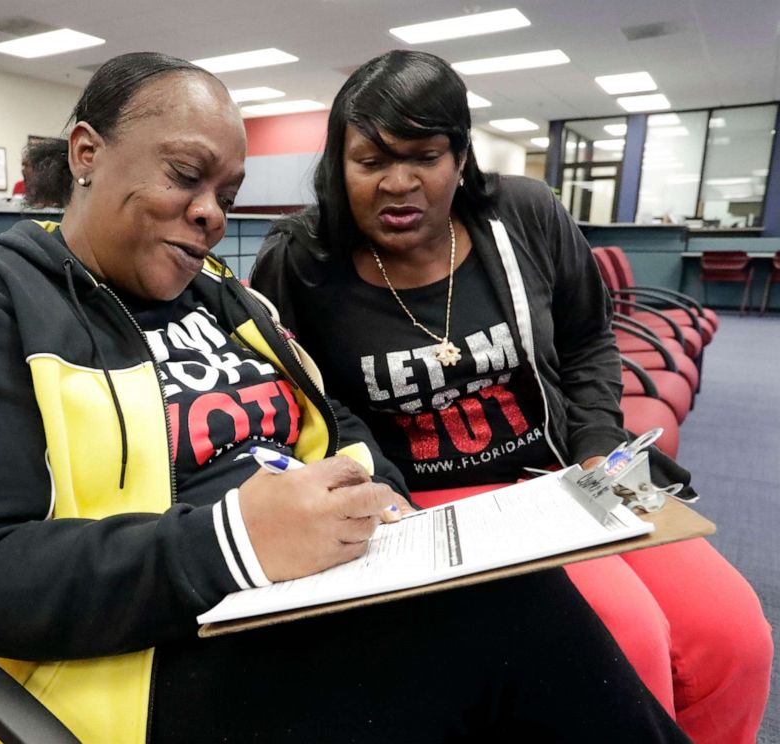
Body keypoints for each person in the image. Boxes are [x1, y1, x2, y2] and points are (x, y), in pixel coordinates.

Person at [0, 52, 690, 744]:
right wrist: (233, 542)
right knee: (517, 625)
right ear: (87, 151)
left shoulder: (222, 296)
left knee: (509, 610)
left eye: (225, 193)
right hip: (133, 664)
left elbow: (332, 417)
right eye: (185, 177)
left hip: (294, 599)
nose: (208, 214)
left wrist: (385, 504)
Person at [250, 49, 773, 744]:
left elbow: (589, 337)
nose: (398, 183)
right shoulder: (302, 263)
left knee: (734, 635)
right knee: (628, 641)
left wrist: (597, 445)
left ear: (459, 158)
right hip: (424, 503)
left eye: (424, 156)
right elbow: (299, 399)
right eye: (371, 162)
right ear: (338, 166)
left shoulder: (523, 216)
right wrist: (374, 484)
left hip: (564, 474)